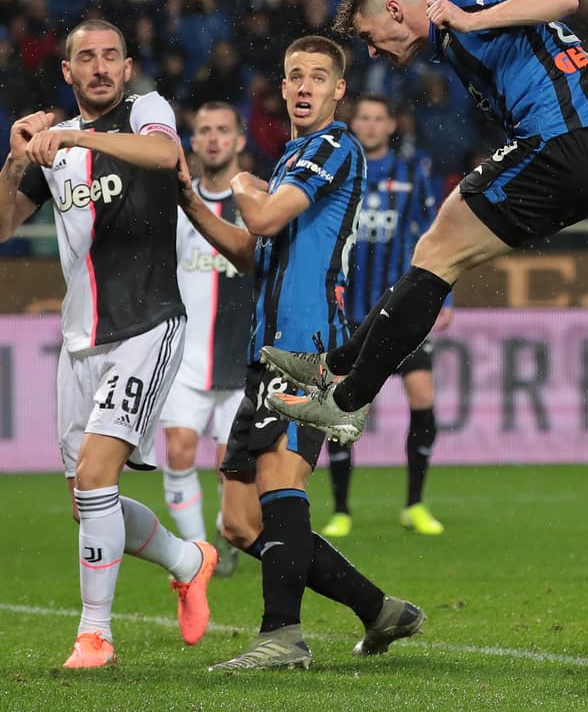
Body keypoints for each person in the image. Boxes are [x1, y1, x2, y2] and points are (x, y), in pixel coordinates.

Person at [264, 0, 588, 441]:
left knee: (438, 250)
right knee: (439, 256)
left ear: (394, 11)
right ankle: (336, 368)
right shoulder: (452, 46)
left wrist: (474, 20)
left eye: (370, 38)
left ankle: (345, 398)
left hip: (564, 141)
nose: (373, 52)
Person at [177, 35, 423, 671]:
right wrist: (188, 197)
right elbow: (251, 251)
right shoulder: (289, 161)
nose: (307, 86)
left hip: (307, 351)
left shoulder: (333, 147)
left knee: (282, 485)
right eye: (296, 76)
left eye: (319, 76)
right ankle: (377, 609)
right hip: (266, 354)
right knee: (238, 522)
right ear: (283, 89)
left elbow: (261, 219)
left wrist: (239, 183)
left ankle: (282, 635)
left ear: (338, 90)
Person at [0, 19, 217, 669]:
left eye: (112, 56)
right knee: (89, 500)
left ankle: (96, 636)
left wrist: (75, 134)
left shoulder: (146, 112)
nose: (101, 66)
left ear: (128, 65)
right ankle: (187, 559)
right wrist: (18, 154)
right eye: (87, 57)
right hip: (80, 341)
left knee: (94, 477)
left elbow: (168, 159)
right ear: (67, 70)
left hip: (149, 324)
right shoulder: (53, 148)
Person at [320, 93, 452, 539]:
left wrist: (444, 301)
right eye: (365, 118)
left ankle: (414, 503)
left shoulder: (413, 173)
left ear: (391, 124)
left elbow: (437, 236)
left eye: (379, 118)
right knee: (342, 408)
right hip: (350, 312)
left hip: (401, 311)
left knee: (423, 397)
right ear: (353, 123)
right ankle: (341, 509)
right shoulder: (339, 171)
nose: (372, 125)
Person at [158, 101, 253, 578]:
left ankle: (224, 530)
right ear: (192, 142)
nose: (213, 138)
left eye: (223, 130)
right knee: (177, 450)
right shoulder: (176, 203)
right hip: (186, 357)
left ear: (239, 140)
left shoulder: (258, 201)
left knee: (228, 469)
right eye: (204, 130)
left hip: (242, 357)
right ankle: (197, 556)